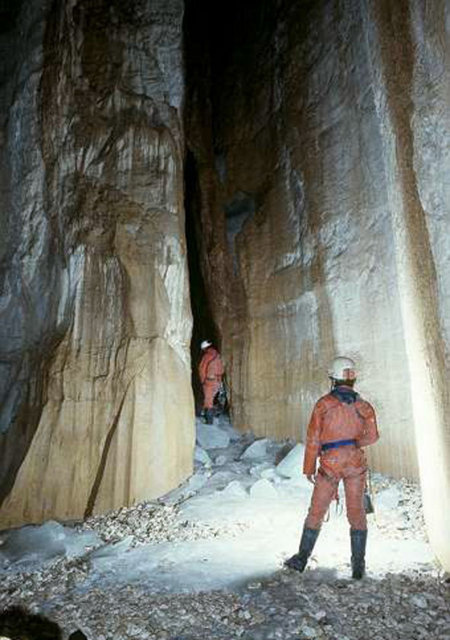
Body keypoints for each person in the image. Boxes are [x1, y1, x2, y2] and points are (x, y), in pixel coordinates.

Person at [285, 356, 379, 579]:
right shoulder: (364, 406)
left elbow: (313, 438)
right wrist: (354, 444)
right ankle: (358, 568)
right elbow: (373, 436)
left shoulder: (323, 405)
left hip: (330, 464)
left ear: (334, 378)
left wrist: (308, 467)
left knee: (317, 511)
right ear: (352, 378)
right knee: (357, 513)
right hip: (355, 462)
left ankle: (301, 559)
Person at [198, 340, 224, 424]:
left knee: (208, 401)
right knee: (212, 399)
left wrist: (202, 381)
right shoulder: (217, 355)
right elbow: (221, 369)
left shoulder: (207, 356)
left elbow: (202, 369)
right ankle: (213, 414)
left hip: (209, 381)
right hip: (217, 380)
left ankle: (209, 421)